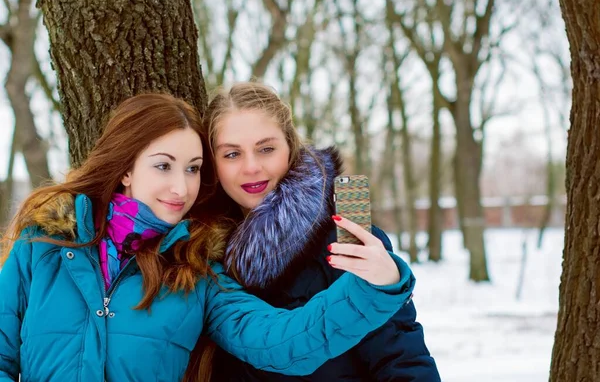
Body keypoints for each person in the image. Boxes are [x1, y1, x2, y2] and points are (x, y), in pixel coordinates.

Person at [0, 93, 416, 382]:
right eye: (164, 166)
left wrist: (374, 288)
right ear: (126, 169)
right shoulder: (43, 246)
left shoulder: (196, 269)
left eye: (194, 168)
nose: (181, 187)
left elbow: (280, 342)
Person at [195, 82, 441, 381]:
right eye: (232, 154)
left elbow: (402, 361)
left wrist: (383, 281)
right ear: (212, 163)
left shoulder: (345, 242)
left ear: (290, 149)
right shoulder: (197, 254)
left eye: (266, 149)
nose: (251, 167)